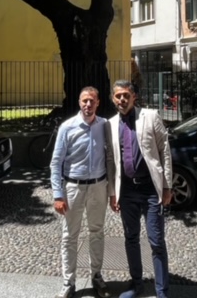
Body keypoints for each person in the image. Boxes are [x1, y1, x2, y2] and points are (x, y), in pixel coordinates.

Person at [108, 80, 173, 298]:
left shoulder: (150, 116)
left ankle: (161, 291)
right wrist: (113, 192)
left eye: (126, 95)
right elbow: (111, 161)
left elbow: (165, 150)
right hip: (126, 191)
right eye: (118, 96)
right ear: (112, 98)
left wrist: (167, 186)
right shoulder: (111, 124)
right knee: (131, 238)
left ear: (134, 96)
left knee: (156, 242)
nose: (122, 99)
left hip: (150, 189)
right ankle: (137, 285)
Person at [50, 86, 113, 298]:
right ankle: (68, 282)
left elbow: (112, 158)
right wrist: (58, 194)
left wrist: (112, 191)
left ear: (98, 103)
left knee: (97, 232)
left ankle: (97, 275)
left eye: (92, 101)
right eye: (85, 100)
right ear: (79, 102)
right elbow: (56, 162)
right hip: (73, 187)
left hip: (98, 186)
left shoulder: (105, 126)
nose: (88, 104)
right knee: (70, 236)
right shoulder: (67, 127)